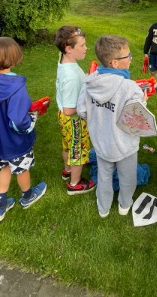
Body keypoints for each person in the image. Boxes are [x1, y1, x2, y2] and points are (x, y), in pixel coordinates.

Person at [0, 37, 47, 222]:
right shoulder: (16, 86)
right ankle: (28, 196)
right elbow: (19, 122)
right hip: (15, 141)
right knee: (22, 169)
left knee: (5, 167)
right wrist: (33, 117)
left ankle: (0, 206)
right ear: (12, 58)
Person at [77, 35, 148, 217]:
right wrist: (143, 101)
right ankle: (125, 205)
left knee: (104, 176)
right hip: (125, 145)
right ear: (115, 63)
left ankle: (103, 208)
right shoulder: (130, 88)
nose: (131, 58)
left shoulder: (90, 82)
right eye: (128, 56)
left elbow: (82, 111)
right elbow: (137, 120)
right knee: (128, 177)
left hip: (101, 143)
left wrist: (98, 118)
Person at [54, 26, 96, 195]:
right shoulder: (71, 77)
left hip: (63, 119)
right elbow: (70, 109)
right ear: (69, 49)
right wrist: (89, 104)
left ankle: (68, 170)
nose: (86, 48)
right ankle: (75, 183)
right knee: (78, 151)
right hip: (74, 120)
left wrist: (85, 78)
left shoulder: (65, 62)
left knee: (67, 146)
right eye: (82, 45)